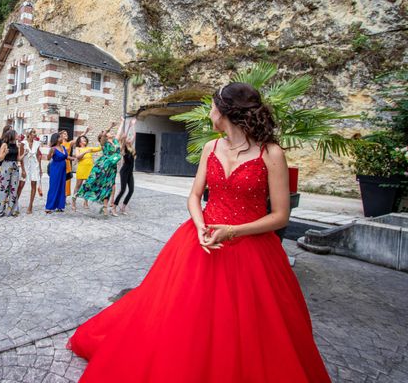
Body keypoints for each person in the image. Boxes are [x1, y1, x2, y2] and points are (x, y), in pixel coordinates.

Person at [67, 83, 332, 382]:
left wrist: (233, 231)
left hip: (251, 247)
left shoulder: (271, 153)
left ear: (224, 112)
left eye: (212, 107)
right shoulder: (211, 147)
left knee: (247, 327)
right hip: (200, 238)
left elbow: (280, 215)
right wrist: (200, 225)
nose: (209, 113)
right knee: (181, 316)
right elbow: (194, 197)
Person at [76, 120, 124, 216]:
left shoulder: (115, 141)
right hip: (104, 166)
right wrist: (110, 126)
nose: (111, 133)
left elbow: (119, 132)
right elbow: (103, 135)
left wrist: (122, 122)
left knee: (109, 187)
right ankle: (81, 195)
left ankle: (105, 208)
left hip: (112, 168)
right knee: (99, 183)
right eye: (108, 133)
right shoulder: (104, 143)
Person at [0, 129, 23, 217]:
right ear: (12, 135)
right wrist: (5, 153)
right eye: (16, 134)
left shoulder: (17, 145)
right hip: (6, 166)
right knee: (3, 188)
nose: (18, 135)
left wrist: (24, 154)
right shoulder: (4, 145)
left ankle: (12, 210)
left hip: (15, 167)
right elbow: (0, 158)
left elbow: (18, 159)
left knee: (14, 189)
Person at [71, 136, 101, 211]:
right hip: (81, 169)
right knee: (78, 186)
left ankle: (85, 202)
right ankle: (73, 203)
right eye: (83, 140)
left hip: (90, 170)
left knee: (88, 186)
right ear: (79, 142)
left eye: (85, 139)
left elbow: (99, 148)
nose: (85, 140)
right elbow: (78, 156)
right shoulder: (78, 148)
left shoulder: (89, 148)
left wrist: (103, 140)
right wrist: (85, 152)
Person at [113, 118, 137, 215]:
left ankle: (123, 207)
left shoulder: (132, 148)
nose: (129, 138)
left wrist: (133, 125)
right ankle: (114, 207)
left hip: (130, 172)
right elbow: (124, 137)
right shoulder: (123, 148)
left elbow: (134, 135)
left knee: (131, 190)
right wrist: (127, 129)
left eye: (129, 138)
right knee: (122, 190)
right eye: (127, 138)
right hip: (124, 171)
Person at [45, 132, 72, 213]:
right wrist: (50, 152)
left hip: (63, 169)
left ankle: (59, 206)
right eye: (60, 137)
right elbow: (48, 158)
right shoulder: (53, 148)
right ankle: (49, 207)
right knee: (54, 187)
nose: (61, 138)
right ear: (56, 139)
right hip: (55, 169)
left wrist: (74, 158)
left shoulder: (63, 147)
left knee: (61, 186)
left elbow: (66, 156)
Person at [22, 129, 43, 214]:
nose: (35, 134)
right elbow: (20, 157)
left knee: (34, 185)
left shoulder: (37, 143)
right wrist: (23, 170)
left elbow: (38, 156)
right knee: (21, 185)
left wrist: (40, 168)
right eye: (33, 132)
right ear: (29, 134)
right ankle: (14, 204)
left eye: (35, 132)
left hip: (35, 166)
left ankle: (30, 205)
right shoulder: (23, 143)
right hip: (26, 165)